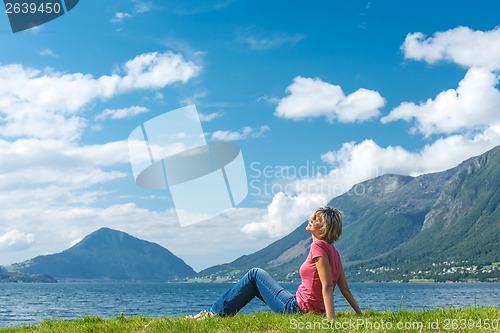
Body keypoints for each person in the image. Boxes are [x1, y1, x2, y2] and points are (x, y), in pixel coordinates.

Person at [188, 207, 363, 320]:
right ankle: (218, 314)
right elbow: (344, 289)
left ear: (323, 227)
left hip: (297, 309)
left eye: (316, 219)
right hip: (303, 304)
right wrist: (360, 315)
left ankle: (213, 314)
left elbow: (327, 286)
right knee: (255, 284)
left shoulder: (318, 246)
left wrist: (330, 321)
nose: (311, 219)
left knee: (254, 274)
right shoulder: (335, 252)